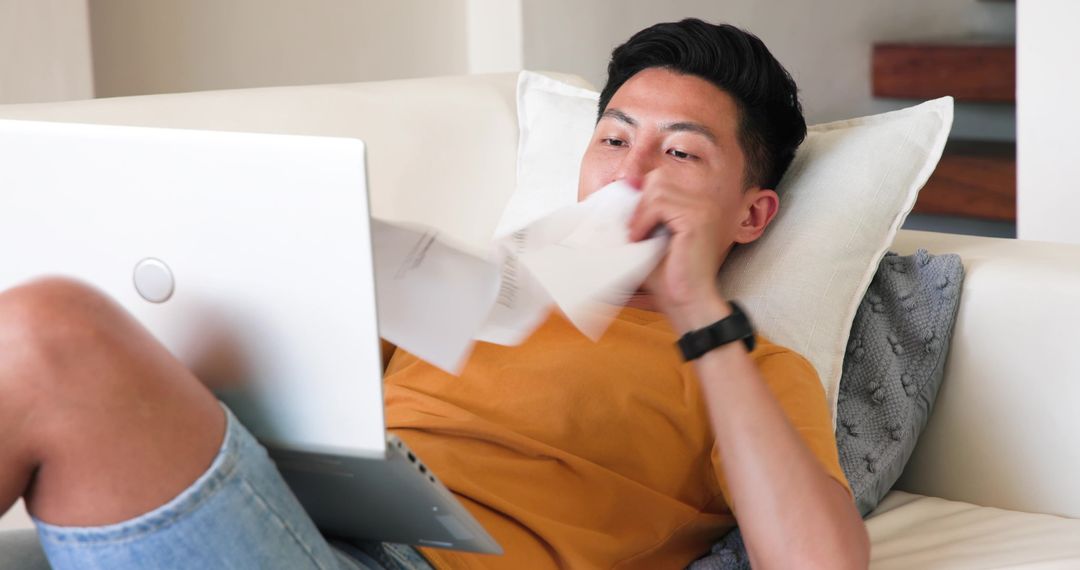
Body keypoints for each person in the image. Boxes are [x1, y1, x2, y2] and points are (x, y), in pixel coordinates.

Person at [0, 18, 869, 570]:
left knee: (45, 331)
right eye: (613, 139)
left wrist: (696, 314)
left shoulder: (746, 365)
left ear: (753, 215)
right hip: (280, 514)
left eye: (680, 154)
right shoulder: (474, 295)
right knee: (55, 330)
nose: (632, 172)